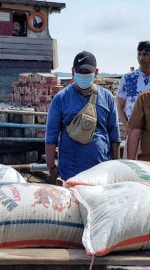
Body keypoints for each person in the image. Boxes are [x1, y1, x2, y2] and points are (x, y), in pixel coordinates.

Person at [45, 51, 121, 181]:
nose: (84, 76)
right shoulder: (61, 99)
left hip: (101, 170)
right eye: (81, 73)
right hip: (70, 172)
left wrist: (115, 165)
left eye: (88, 73)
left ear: (96, 72)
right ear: (73, 72)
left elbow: (114, 133)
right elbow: (51, 136)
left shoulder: (107, 97)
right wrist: (51, 167)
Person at [115, 41, 150, 157]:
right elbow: (119, 105)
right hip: (134, 134)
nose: (141, 58)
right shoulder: (128, 78)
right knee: (131, 169)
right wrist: (127, 127)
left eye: (145, 54)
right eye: (139, 54)